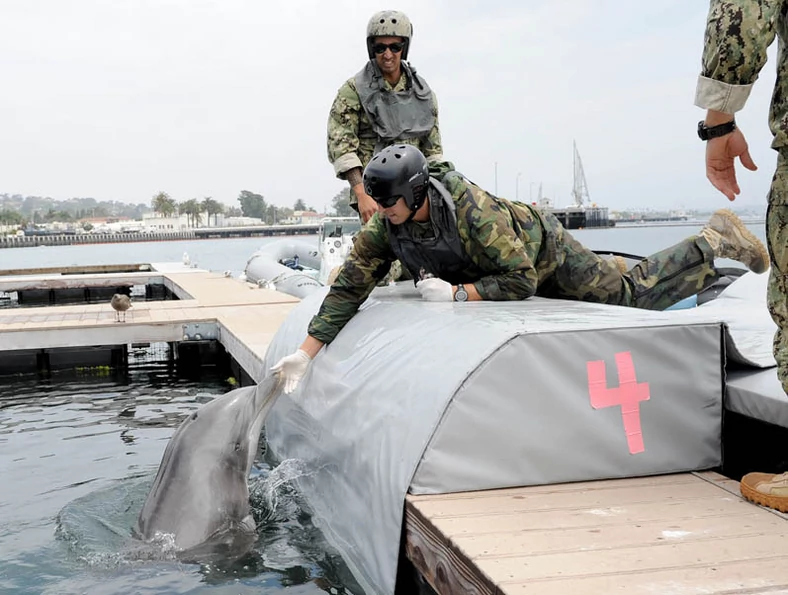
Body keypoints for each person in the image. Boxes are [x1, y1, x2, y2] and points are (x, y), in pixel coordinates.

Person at [272, 144, 769, 394]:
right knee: (608, 279)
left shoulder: (472, 215)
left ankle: (712, 241)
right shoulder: (389, 224)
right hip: (500, 261)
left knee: (625, 296)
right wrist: (305, 354)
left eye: (389, 202)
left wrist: (461, 295)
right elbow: (350, 288)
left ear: (416, 193)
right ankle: (625, 263)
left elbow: (522, 278)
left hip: (539, 249)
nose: (380, 211)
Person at [327, 9, 443, 225]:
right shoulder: (353, 91)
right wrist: (362, 194)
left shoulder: (423, 95)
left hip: (415, 194)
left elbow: (433, 153)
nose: (387, 54)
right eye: (380, 48)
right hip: (375, 194)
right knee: (377, 253)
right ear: (372, 48)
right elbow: (342, 148)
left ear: (404, 48)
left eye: (394, 47)